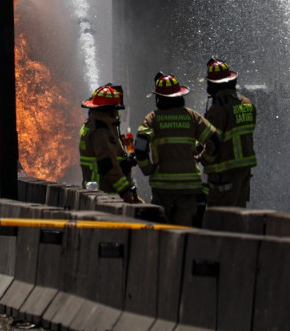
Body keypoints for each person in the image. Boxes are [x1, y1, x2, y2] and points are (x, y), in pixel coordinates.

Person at [134, 73, 221, 227]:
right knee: (184, 232)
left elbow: (140, 147)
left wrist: (148, 169)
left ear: (158, 98)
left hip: (162, 188)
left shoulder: (153, 118)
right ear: (180, 95)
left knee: (162, 232)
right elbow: (215, 140)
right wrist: (203, 159)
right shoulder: (192, 117)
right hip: (189, 187)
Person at [201, 58, 257, 208]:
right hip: (244, 171)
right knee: (239, 211)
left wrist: (202, 157)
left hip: (224, 173)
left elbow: (213, 143)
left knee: (221, 216)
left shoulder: (218, 109)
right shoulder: (247, 103)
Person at [77, 83, 141, 203]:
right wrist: (124, 191)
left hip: (97, 192)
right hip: (106, 193)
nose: (117, 113)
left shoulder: (94, 126)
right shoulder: (100, 131)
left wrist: (124, 160)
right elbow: (107, 164)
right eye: (115, 109)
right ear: (109, 110)